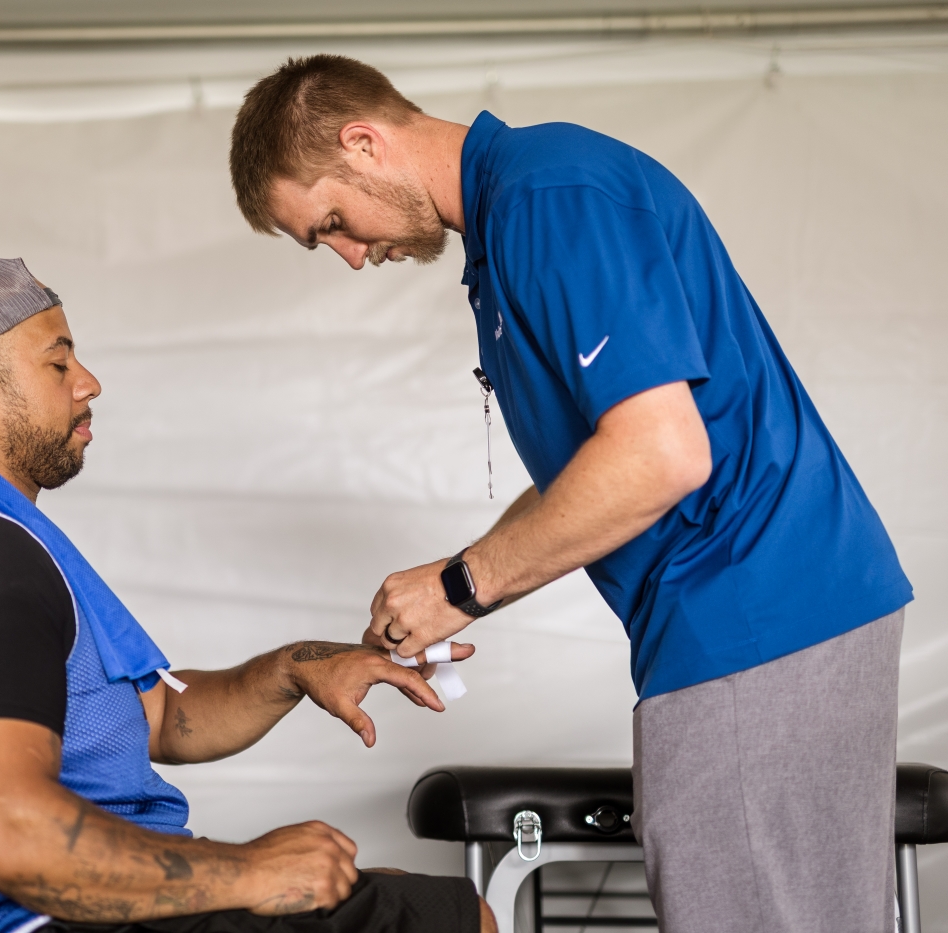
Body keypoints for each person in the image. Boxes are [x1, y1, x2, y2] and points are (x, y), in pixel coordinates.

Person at [229, 56, 912, 933]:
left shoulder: (551, 197)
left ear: (364, 144)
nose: (353, 256)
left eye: (330, 223)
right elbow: (599, 465)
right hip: (759, 612)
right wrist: (455, 584)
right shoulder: (513, 225)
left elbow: (662, 455)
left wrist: (462, 584)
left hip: (755, 609)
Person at [0, 258, 495, 933]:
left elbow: (159, 716)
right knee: (462, 919)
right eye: (58, 364)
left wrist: (298, 666)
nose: (90, 383)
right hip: (62, 920)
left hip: (90, 910)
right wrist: (252, 871)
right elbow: (7, 834)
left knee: (395, 893)